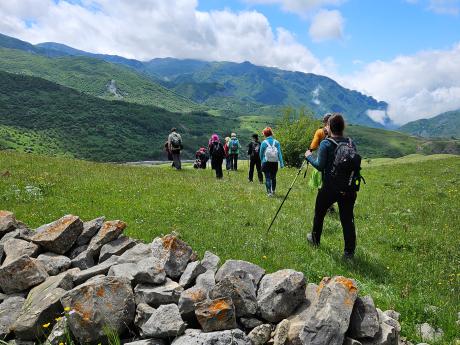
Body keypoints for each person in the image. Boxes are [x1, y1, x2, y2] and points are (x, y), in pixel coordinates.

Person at [305, 113, 359, 259]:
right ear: (343, 127)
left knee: (319, 214)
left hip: (330, 188)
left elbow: (320, 166)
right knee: (347, 220)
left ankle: (315, 239)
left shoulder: (326, 143)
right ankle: (349, 253)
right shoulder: (350, 143)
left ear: (329, 127)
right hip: (349, 188)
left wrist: (308, 156)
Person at [260, 127, 284, 197]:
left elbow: (261, 154)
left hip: (266, 162)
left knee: (267, 177)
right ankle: (273, 191)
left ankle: (269, 193)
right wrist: (281, 163)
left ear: (264, 134)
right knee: (273, 177)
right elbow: (279, 153)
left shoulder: (264, 143)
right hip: (274, 162)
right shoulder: (276, 142)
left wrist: (262, 161)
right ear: (271, 133)